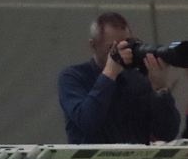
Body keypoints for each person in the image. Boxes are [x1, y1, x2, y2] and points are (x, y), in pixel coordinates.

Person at [58, 11, 181, 144]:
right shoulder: (73, 77)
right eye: (112, 48)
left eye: (127, 46)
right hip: (91, 157)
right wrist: (110, 72)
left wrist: (160, 90)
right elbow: (87, 121)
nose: (122, 53)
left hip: (135, 157)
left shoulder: (138, 79)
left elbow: (167, 133)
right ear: (93, 45)